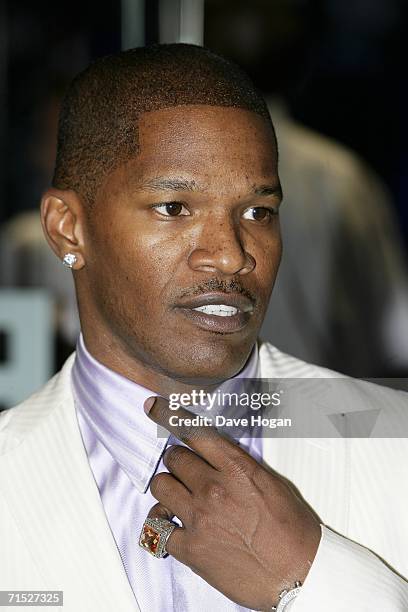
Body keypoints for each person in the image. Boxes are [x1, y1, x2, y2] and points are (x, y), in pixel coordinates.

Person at [0, 44, 407, 612]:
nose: (231, 256)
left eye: (257, 212)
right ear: (68, 229)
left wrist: (309, 575)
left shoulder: (397, 445)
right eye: (174, 207)